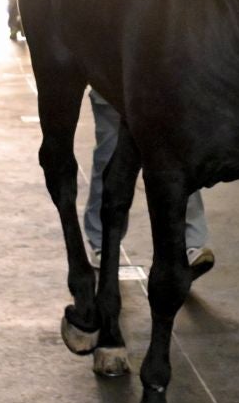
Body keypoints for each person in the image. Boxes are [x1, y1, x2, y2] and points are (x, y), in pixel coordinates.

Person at [83, 90, 215, 281]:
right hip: (112, 81)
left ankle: (191, 243)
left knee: (177, 156)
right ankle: (101, 242)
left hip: (162, 81)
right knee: (110, 158)